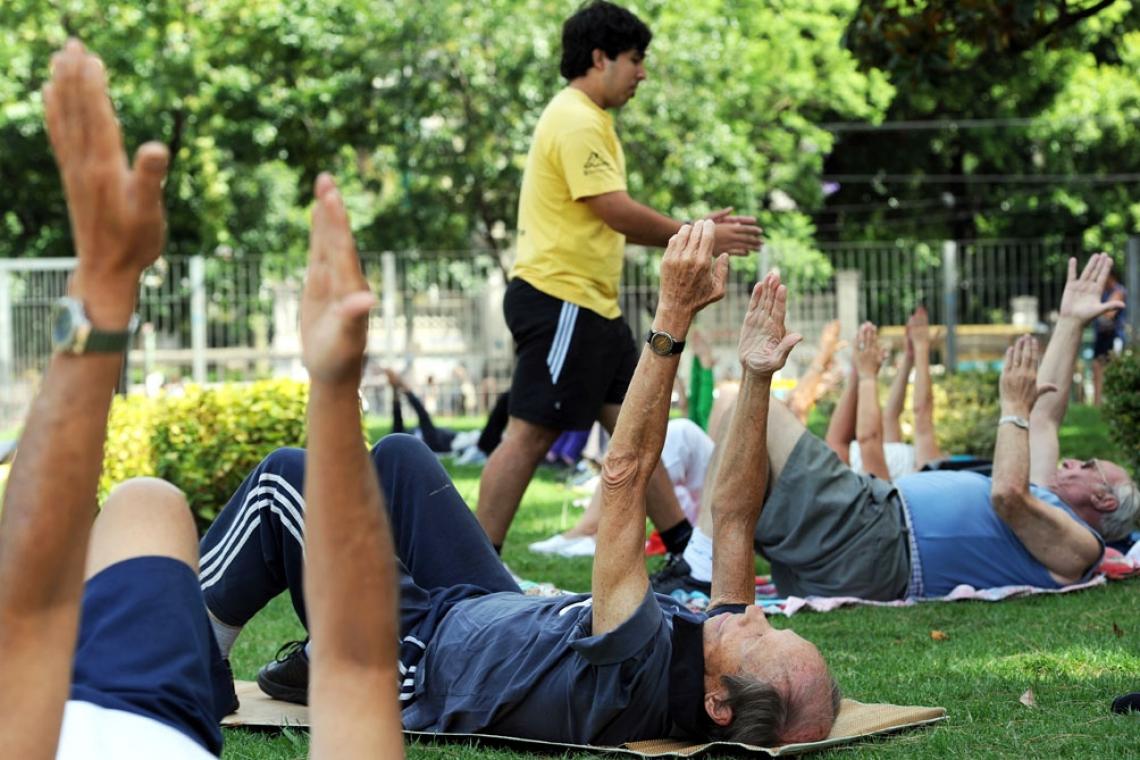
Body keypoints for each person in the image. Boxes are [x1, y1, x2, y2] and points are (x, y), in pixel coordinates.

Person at [200, 222, 840, 746]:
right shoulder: (713, 651)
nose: (756, 612)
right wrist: (757, 376)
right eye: (773, 623)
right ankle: (320, 652)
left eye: (759, 634)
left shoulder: (636, 667)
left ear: (718, 703)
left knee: (288, 478)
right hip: (481, 607)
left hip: (414, 657)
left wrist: (672, 313)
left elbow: (622, 475)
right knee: (400, 459)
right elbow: (732, 516)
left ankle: (195, 660)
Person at [0, 39, 402, 759]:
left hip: (82, 699)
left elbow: (28, 607)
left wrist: (104, 285)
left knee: (90, 556)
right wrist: (335, 388)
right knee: (145, 503)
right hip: (146, 705)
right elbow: (355, 665)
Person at [654, 255, 1137, 600]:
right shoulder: (1048, 503)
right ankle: (699, 558)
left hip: (875, 537)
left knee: (743, 407)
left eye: (1090, 465)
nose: (1075, 461)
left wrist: (1011, 406)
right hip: (870, 531)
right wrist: (1072, 320)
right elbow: (1046, 416)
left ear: (1104, 499)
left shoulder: (1080, 546)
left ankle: (697, 567)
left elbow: (1006, 495)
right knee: (731, 412)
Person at [474, 0, 763, 556]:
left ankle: (681, 552)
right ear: (600, 57)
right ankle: (471, 570)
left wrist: (694, 231)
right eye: (635, 58)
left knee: (640, 427)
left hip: (594, 310)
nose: (643, 73)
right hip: (562, 301)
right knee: (530, 434)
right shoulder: (577, 118)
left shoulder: (587, 119)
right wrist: (698, 235)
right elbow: (615, 210)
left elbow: (611, 216)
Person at [825, 308, 942, 481]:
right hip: (918, 473)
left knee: (897, 421)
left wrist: (862, 374)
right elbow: (873, 436)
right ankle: (920, 349)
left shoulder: (856, 471)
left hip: (887, 466)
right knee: (920, 423)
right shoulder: (926, 475)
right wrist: (919, 349)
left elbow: (883, 425)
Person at [1092, 268, 1127, 406]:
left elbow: (1109, 314)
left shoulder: (1119, 291)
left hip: (1115, 337)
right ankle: (1097, 404)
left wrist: (1093, 311)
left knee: (1114, 369)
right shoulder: (1102, 293)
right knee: (1097, 367)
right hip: (1101, 337)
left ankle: (1115, 403)